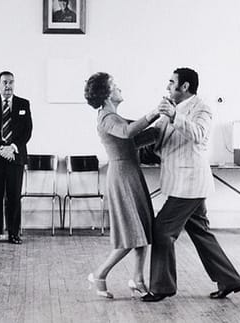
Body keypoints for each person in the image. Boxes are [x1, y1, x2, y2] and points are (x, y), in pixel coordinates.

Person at [141, 68, 240, 302]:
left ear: (184, 86)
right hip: (182, 183)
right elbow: (155, 136)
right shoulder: (170, 109)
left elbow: (199, 134)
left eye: (171, 82)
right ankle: (229, 279)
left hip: (190, 184)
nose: (167, 86)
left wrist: (175, 115)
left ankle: (162, 287)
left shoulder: (202, 108)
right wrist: (126, 131)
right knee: (200, 232)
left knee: (162, 231)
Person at [84, 72, 159, 298]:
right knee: (131, 233)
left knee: (143, 230)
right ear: (106, 94)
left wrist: (159, 128)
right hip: (122, 176)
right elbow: (127, 132)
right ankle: (99, 273)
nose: (119, 88)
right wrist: (155, 114)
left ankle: (137, 279)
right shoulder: (107, 118)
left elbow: (135, 140)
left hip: (130, 173)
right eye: (114, 86)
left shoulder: (114, 116)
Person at [0, 71, 33, 245]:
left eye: (11, 82)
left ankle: (13, 233)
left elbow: (27, 132)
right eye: (4, 82)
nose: (8, 86)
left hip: (15, 158)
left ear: (14, 84)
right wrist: (0, 148)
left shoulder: (24, 104)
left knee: (13, 197)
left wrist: (13, 148)